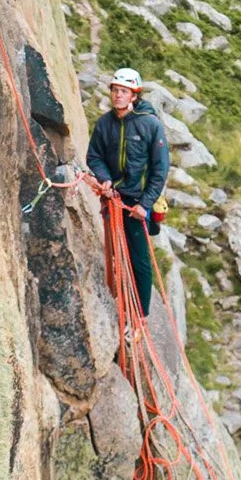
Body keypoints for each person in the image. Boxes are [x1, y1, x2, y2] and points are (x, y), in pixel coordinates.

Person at [83, 67, 170, 318]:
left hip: (137, 203)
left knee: (139, 258)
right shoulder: (105, 124)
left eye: (124, 91)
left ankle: (140, 316)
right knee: (117, 252)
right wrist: (105, 178)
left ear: (134, 95)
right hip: (114, 197)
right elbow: (94, 156)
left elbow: (160, 169)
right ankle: (121, 297)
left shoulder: (150, 125)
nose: (118, 95)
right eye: (115, 90)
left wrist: (145, 204)